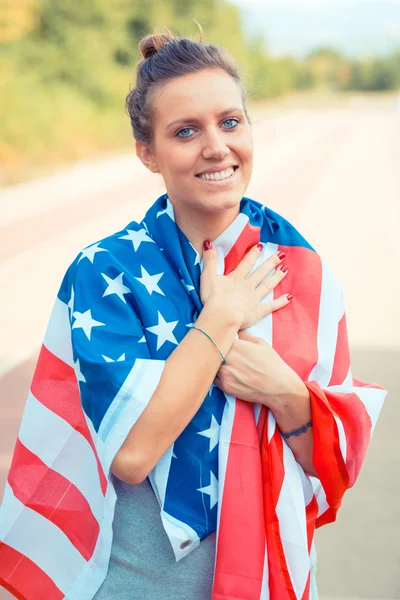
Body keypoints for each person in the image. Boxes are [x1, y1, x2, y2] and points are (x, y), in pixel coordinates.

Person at [0, 25, 386, 600]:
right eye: (185, 131)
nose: (216, 146)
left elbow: (330, 463)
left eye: (230, 122)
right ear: (147, 153)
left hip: (265, 580)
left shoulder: (302, 270)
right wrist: (218, 320)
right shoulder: (106, 271)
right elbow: (132, 454)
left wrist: (287, 395)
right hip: (134, 586)